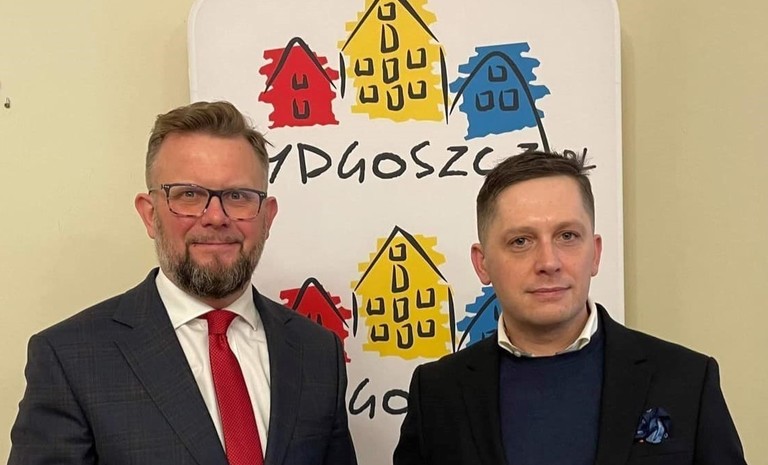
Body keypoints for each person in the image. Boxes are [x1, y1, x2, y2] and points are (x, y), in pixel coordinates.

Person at [8, 101, 358, 465]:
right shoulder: (70, 359)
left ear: (267, 217)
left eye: (238, 196)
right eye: (189, 195)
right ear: (150, 215)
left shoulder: (317, 353)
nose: (216, 217)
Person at [393, 151, 746, 465]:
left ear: (595, 253)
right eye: (521, 241)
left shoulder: (687, 380)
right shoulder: (437, 392)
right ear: (482, 263)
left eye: (567, 236)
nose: (549, 262)